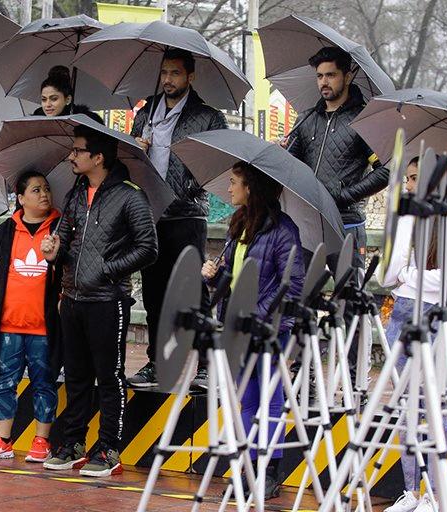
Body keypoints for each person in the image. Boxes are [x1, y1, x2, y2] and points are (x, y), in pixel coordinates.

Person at [40, 125, 158, 477]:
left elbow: (148, 248)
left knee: (109, 377)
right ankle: (73, 442)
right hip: (73, 298)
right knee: (75, 376)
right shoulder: (76, 193)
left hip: (108, 300)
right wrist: (53, 250)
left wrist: (107, 269)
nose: (72, 156)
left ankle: (108, 448)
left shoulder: (130, 196)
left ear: (98, 157)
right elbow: (63, 237)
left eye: (78, 151)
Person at [283, 45, 388, 378]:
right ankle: (303, 375)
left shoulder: (364, 121)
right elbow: (288, 164)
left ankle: (353, 379)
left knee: (351, 301)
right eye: (319, 76)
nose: (324, 82)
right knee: (303, 300)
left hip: (347, 226)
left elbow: (387, 169)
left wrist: (344, 196)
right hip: (307, 225)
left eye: (330, 75)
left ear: (348, 75)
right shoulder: (308, 119)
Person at [201, 162, 305, 499]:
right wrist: (216, 275)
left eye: (234, 183)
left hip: (268, 331)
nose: (228, 189)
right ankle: (245, 467)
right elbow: (234, 279)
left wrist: (261, 320)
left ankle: (268, 470)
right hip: (238, 329)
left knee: (270, 400)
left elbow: (292, 287)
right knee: (246, 400)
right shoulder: (240, 224)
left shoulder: (283, 230)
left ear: (251, 188)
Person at [127, 48, 227, 390]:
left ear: (190, 76)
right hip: (148, 212)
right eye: (164, 73)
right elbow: (127, 159)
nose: (168, 80)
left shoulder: (208, 117)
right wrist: (134, 148)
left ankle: (205, 364)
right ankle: (157, 362)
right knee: (153, 291)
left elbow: (216, 163)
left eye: (175, 73)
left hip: (187, 212)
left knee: (194, 288)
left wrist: (186, 187)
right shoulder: (145, 113)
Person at [381, 157, 447, 512]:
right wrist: (405, 271)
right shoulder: (407, 217)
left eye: (416, 178)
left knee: (435, 408)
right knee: (406, 408)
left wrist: (409, 276)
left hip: (435, 318)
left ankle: (436, 494)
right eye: (408, 178)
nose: (409, 185)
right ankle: (411, 490)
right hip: (402, 314)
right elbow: (388, 274)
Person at [0, 171, 63, 463]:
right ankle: (2, 440)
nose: (44, 194)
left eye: (46, 189)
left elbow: (71, 269)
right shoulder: (4, 231)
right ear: (21, 199)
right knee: (3, 383)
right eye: (36, 190)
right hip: (8, 326)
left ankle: (41, 441)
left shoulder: (61, 228)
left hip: (44, 328)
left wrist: (57, 257)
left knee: (44, 383)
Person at [33, 65, 103, 122]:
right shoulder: (36, 120)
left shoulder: (87, 122)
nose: (47, 105)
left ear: (68, 99)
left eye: (54, 99)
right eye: (44, 99)